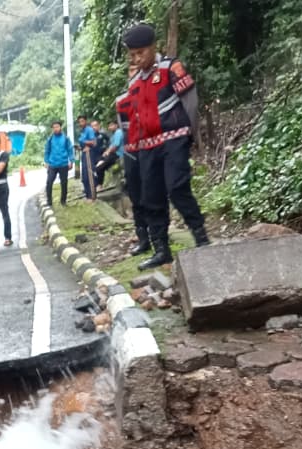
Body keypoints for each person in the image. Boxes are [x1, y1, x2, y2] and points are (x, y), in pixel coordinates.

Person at [122, 22, 210, 270]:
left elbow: (190, 101)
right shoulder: (135, 82)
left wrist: (192, 135)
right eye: (133, 55)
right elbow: (135, 118)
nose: (137, 59)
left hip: (174, 137)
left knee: (177, 187)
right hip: (147, 146)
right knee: (152, 196)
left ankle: (200, 236)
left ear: (153, 47)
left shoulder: (172, 67)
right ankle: (162, 249)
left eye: (141, 53)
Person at [113, 70, 152, 255]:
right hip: (131, 153)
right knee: (136, 198)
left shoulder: (153, 96)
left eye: (137, 73)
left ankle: (159, 239)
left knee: (152, 195)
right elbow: (124, 128)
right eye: (131, 73)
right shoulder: (121, 102)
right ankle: (143, 239)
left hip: (150, 150)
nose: (134, 76)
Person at [43, 121, 74, 207]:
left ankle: (63, 201)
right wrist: (46, 161)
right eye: (54, 127)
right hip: (52, 164)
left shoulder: (65, 138)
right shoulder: (50, 139)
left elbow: (70, 150)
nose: (56, 129)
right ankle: (49, 201)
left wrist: (71, 161)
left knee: (64, 183)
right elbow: (47, 151)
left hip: (63, 164)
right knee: (49, 182)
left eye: (57, 127)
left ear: (60, 127)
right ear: (52, 129)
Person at [78, 116, 99, 200]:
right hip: (83, 153)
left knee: (89, 174)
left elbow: (94, 142)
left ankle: (92, 196)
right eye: (79, 122)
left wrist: (84, 142)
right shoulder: (82, 131)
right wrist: (80, 147)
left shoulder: (89, 130)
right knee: (84, 176)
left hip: (88, 153)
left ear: (86, 121)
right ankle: (88, 195)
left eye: (82, 121)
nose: (81, 123)